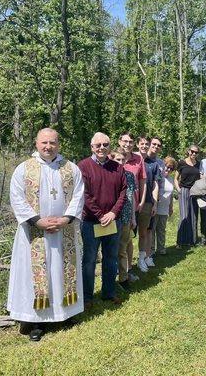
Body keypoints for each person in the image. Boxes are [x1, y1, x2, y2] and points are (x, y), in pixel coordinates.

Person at [8, 128, 85, 341]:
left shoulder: (71, 169)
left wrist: (66, 219)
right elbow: (17, 198)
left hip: (63, 233)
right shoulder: (24, 169)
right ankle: (35, 321)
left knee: (62, 271)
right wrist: (37, 221)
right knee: (35, 275)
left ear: (59, 144)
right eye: (44, 143)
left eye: (52, 143)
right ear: (36, 143)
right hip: (33, 234)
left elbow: (79, 195)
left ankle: (65, 313)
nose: (48, 147)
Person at [78, 132, 126, 309]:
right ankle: (87, 297)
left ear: (109, 146)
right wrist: (100, 215)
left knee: (111, 258)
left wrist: (113, 213)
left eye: (105, 145)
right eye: (98, 145)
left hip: (113, 221)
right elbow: (85, 195)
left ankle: (109, 292)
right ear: (92, 147)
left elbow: (123, 192)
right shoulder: (83, 166)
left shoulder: (117, 167)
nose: (101, 148)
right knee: (89, 260)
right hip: (92, 222)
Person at [118, 132, 146, 282]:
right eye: (125, 141)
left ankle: (127, 270)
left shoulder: (138, 159)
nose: (127, 144)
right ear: (119, 141)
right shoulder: (112, 157)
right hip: (112, 210)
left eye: (130, 142)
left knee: (127, 241)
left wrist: (141, 201)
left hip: (130, 206)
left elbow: (142, 181)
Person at [110, 148, 138, 290]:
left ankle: (123, 278)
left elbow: (132, 197)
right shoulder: (107, 173)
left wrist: (133, 217)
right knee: (109, 249)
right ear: (112, 159)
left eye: (123, 159)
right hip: (110, 217)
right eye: (117, 159)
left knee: (122, 248)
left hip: (126, 216)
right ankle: (109, 277)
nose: (120, 162)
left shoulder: (129, 176)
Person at [136, 136, 160, 271]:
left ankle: (141, 258)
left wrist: (155, 203)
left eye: (147, 144)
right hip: (132, 202)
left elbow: (155, 184)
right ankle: (123, 265)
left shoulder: (153, 164)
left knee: (143, 232)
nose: (144, 146)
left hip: (148, 203)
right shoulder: (132, 160)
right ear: (138, 145)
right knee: (126, 236)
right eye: (142, 144)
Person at [175, 145, 201, 248]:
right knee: (184, 216)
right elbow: (176, 178)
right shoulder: (181, 163)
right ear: (188, 151)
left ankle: (192, 240)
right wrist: (179, 190)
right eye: (192, 151)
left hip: (195, 191)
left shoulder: (198, 164)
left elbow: (201, 176)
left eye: (196, 152)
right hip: (184, 190)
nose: (194, 154)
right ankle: (180, 241)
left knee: (193, 215)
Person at [152, 156, 177, 255]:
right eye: (167, 166)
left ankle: (161, 248)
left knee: (162, 229)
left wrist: (170, 207)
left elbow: (170, 195)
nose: (168, 169)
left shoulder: (170, 179)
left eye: (171, 168)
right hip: (155, 206)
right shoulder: (158, 177)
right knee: (152, 229)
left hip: (165, 208)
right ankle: (151, 249)